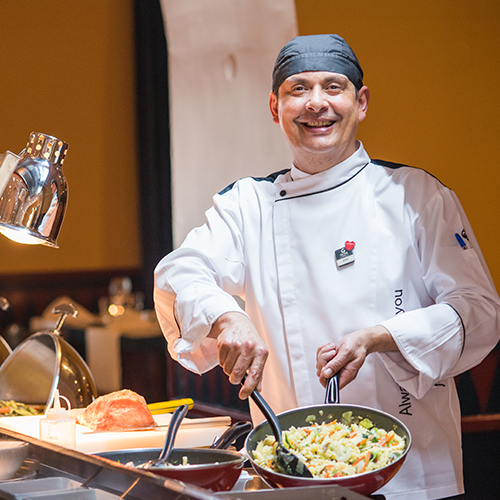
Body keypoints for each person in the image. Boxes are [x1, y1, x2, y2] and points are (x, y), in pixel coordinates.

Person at [154, 34, 500, 499]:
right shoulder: (247, 205)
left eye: (333, 87)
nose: (317, 103)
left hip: (413, 476)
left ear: (361, 103)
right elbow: (178, 273)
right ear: (275, 108)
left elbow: (480, 312)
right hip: (291, 479)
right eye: (299, 89)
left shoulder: (414, 195)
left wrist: (383, 336)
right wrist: (227, 316)